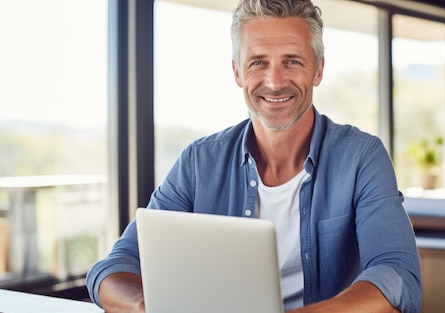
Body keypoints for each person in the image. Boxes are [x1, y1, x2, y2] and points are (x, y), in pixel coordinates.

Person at [85, 0, 422, 312]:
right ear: (237, 73)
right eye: (258, 63)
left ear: (317, 70)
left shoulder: (361, 156)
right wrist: (149, 307)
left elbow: (397, 276)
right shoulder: (199, 162)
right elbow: (114, 268)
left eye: (292, 61)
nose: (274, 82)